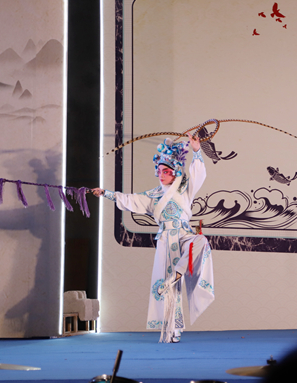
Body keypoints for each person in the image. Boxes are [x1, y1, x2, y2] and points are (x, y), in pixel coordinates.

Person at [91, 133, 214, 343]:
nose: (161, 175)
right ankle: (172, 328)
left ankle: (178, 272)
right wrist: (105, 193)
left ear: (175, 172)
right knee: (167, 286)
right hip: (165, 240)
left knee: (201, 241)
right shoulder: (153, 195)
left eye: (166, 171)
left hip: (184, 235)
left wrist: (196, 150)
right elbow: (130, 200)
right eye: (159, 171)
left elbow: (198, 174)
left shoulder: (185, 188)